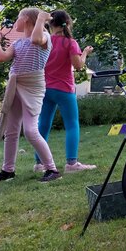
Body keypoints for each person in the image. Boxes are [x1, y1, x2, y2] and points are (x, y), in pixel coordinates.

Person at [0, 8, 61, 182]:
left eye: (18, 18)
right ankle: (8, 170)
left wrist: (42, 19)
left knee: (30, 130)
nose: (15, 22)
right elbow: (0, 57)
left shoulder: (44, 37)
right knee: (11, 130)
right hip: (16, 84)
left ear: (27, 19)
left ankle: (51, 169)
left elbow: (36, 39)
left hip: (33, 86)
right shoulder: (18, 43)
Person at [35, 10, 96, 173]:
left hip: (45, 89)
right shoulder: (70, 42)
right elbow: (78, 65)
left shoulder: (44, 41)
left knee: (43, 124)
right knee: (72, 125)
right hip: (64, 89)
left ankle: (39, 164)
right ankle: (71, 163)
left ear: (50, 24)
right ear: (67, 24)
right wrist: (85, 53)